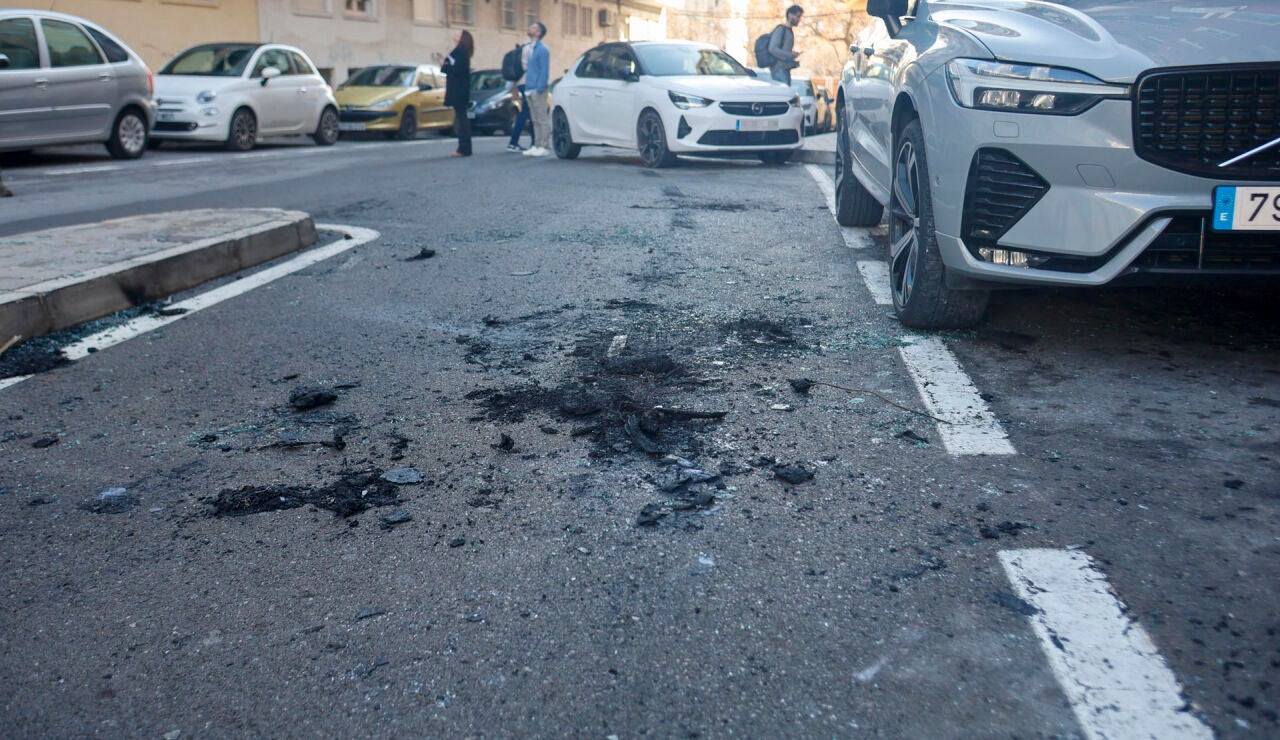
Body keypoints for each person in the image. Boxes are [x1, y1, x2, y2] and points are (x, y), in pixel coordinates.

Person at [442, 29, 474, 157]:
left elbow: (457, 69)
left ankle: (464, 148)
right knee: (461, 117)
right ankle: (464, 147)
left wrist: (444, 66)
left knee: (461, 119)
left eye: (458, 34)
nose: (455, 35)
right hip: (460, 89)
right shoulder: (461, 52)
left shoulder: (460, 52)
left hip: (459, 89)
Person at [522, 22, 552, 158]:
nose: (530, 28)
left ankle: (544, 145)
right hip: (529, 87)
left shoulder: (543, 50)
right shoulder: (530, 48)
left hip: (537, 89)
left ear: (539, 33)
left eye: (533, 27)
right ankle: (537, 144)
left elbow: (544, 71)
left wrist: (539, 88)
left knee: (542, 118)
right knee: (534, 119)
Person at [506, 34, 536, 152]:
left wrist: (514, 87)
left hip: (522, 83)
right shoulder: (531, 49)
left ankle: (532, 142)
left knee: (528, 112)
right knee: (528, 113)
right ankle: (514, 142)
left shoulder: (523, 48)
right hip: (529, 83)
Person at [768, 5, 803, 85]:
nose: (799, 19)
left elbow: (784, 51)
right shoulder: (781, 29)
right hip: (779, 71)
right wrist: (790, 54)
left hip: (785, 70)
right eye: (797, 16)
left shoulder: (789, 31)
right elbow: (772, 49)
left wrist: (792, 55)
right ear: (790, 15)